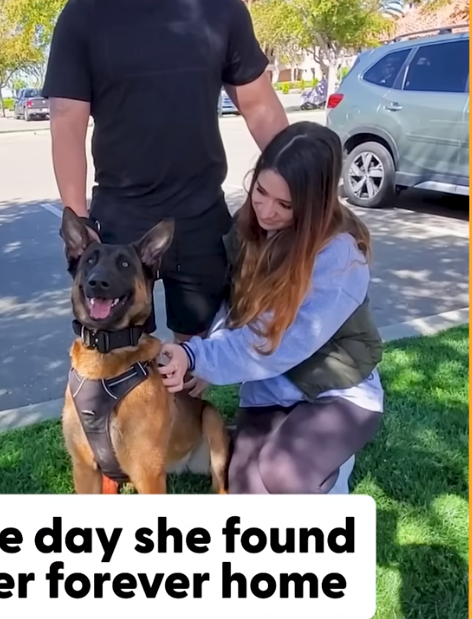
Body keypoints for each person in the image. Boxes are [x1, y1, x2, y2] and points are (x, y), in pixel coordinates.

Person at [41, 0, 289, 381]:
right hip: (119, 219)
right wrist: (78, 216)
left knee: (194, 361)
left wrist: (299, 181)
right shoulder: (84, 14)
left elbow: (257, 104)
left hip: (201, 213)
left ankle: (182, 419)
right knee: (118, 358)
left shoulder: (221, 9)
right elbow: (66, 121)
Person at [159, 121, 385, 494]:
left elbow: (275, 343)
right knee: (248, 488)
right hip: (270, 388)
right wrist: (204, 357)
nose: (265, 210)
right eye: (260, 192)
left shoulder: (341, 256)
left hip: (336, 390)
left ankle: (331, 474)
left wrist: (197, 356)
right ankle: (303, 451)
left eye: (285, 205)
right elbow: (234, 307)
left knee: (282, 473)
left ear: (313, 205)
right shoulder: (249, 227)